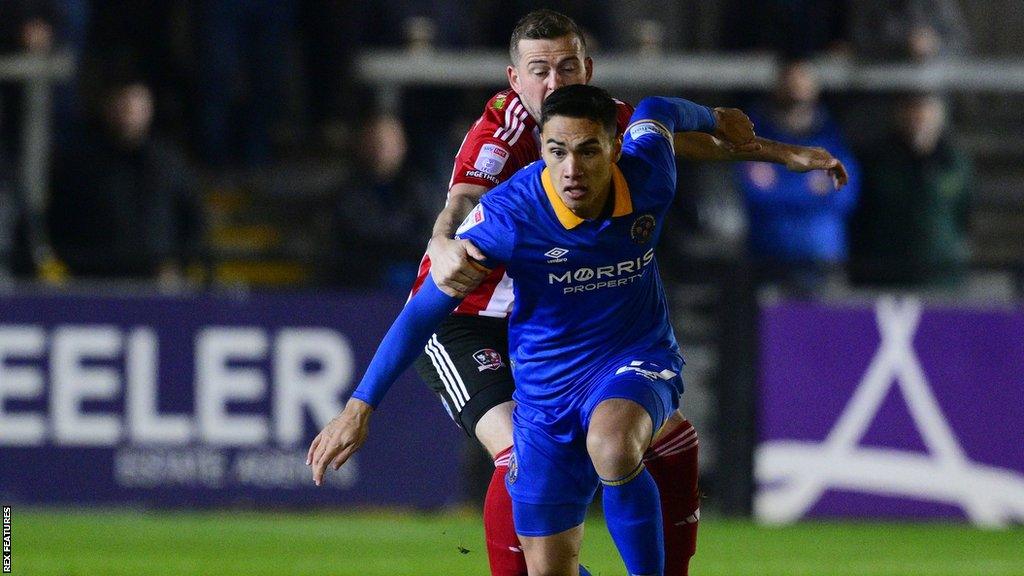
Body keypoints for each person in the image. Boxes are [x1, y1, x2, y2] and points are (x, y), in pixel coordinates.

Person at [345, 10, 846, 576]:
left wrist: (778, 152)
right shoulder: (503, 152)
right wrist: (442, 243)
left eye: (566, 68)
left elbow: (666, 130)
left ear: (588, 72)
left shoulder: (617, 136)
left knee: (628, 442)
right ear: (516, 80)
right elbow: (462, 198)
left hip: (566, 320)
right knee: (521, 461)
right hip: (469, 313)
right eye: (540, 71)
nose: (554, 83)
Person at [310, 84, 717, 575]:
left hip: (634, 357)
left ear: (614, 147)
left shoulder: (650, 172)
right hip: (546, 392)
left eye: (588, 150)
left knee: (612, 442)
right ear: (542, 149)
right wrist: (359, 406)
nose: (572, 168)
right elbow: (423, 311)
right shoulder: (510, 214)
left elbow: (659, 109)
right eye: (557, 151)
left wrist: (716, 119)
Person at [48, 76, 203, 284]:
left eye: (136, 104)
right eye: (122, 103)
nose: (128, 112)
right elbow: (57, 219)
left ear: (149, 109)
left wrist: (178, 265)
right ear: (107, 107)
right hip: (93, 284)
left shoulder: (168, 163)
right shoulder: (80, 164)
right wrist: (75, 266)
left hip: (156, 284)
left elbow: (194, 220)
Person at [734, 57, 860, 293]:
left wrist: (779, 186)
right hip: (768, 264)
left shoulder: (833, 139)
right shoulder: (752, 137)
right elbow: (753, 195)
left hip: (824, 265)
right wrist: (811, 188)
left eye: (803, 79)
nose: (796, 88)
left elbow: (845, 196)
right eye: (789, 80)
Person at [849, 92, 972, 289]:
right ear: (899, 114)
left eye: (927, 110)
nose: (920, 117)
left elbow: (964, 212)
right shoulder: (877, 161)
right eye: (913, 109)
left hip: (941, 275)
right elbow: (861, 215)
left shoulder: (954, 162)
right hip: (886, 275)